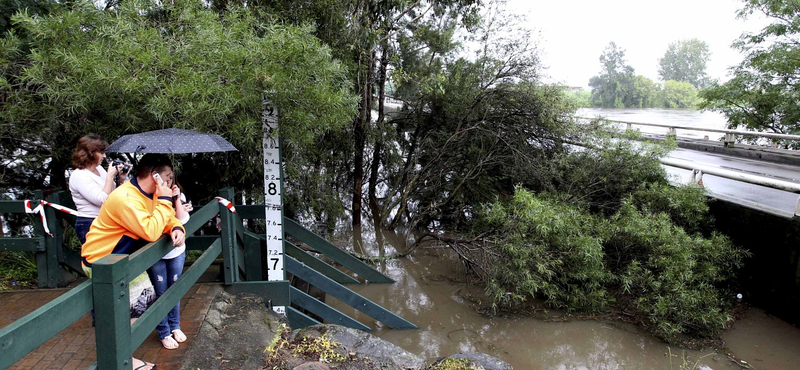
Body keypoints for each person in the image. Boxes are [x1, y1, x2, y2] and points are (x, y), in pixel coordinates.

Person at [81, 153, 186, 370]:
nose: (170, 183)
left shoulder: (150, 193)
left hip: (122, 260)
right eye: (167, 177)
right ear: (154, 176)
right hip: (101, 261)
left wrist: (176, 228)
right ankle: (123, 361)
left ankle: (124, 358)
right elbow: (150, 230)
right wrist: (167, 199)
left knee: (142, 306)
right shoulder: (126, 198)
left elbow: (165, 218)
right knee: (124, 313)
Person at [147, 166, 193, 349]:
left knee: (174, 289)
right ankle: (163, 331)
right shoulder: (148, 197)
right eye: (165, 177)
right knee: (160, 292)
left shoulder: (176, 195)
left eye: (170, 178)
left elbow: (181, 220)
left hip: (176, 251)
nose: (168, 181)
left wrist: (176, 200)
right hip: (155, 252)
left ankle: (175, 326)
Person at [68, 134, 129, 244]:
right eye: (101, 153)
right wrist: (110, 176)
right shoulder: (79, 176)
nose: (104, 156)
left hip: (106, 221)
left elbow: (113, 196)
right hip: (89, 223)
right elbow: (102, 200)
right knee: (97, 260)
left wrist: (120, 180)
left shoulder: (99, 169)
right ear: (90, 153)